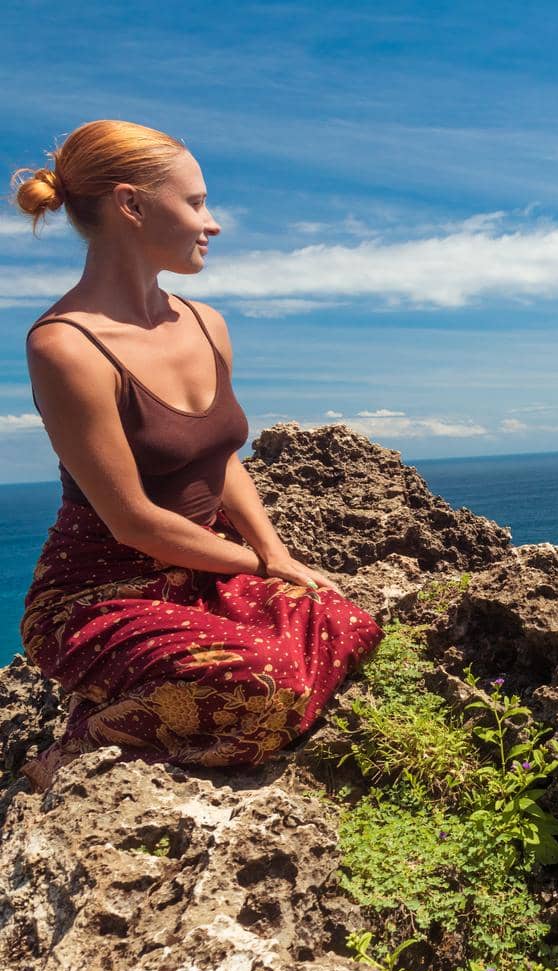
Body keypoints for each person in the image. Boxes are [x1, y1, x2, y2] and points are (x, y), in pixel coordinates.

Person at [8, 119, 384, 793]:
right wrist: (260, 564)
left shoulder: (207, 323)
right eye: (196, 203)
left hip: (201, 564)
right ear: (132, 204)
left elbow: (218, 458)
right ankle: (83, 743)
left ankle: (146, 697)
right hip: (99, 591)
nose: (212, 224)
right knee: (265, 687)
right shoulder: (66, 347)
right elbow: (132, 522)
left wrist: (279, 554)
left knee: (348, 625)